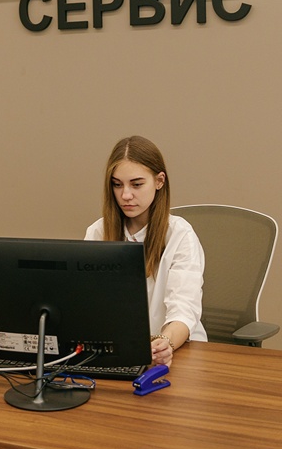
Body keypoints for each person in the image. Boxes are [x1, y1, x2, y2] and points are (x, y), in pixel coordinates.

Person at [84, 136, 206, 366]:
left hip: (177, 352)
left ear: (159, 181)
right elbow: (89, 306)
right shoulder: (98, 232)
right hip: (118, 352)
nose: (125, 195)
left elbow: (184, 310)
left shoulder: (180, 235)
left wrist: (165, 343)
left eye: (137, 184)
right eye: (117, 184)